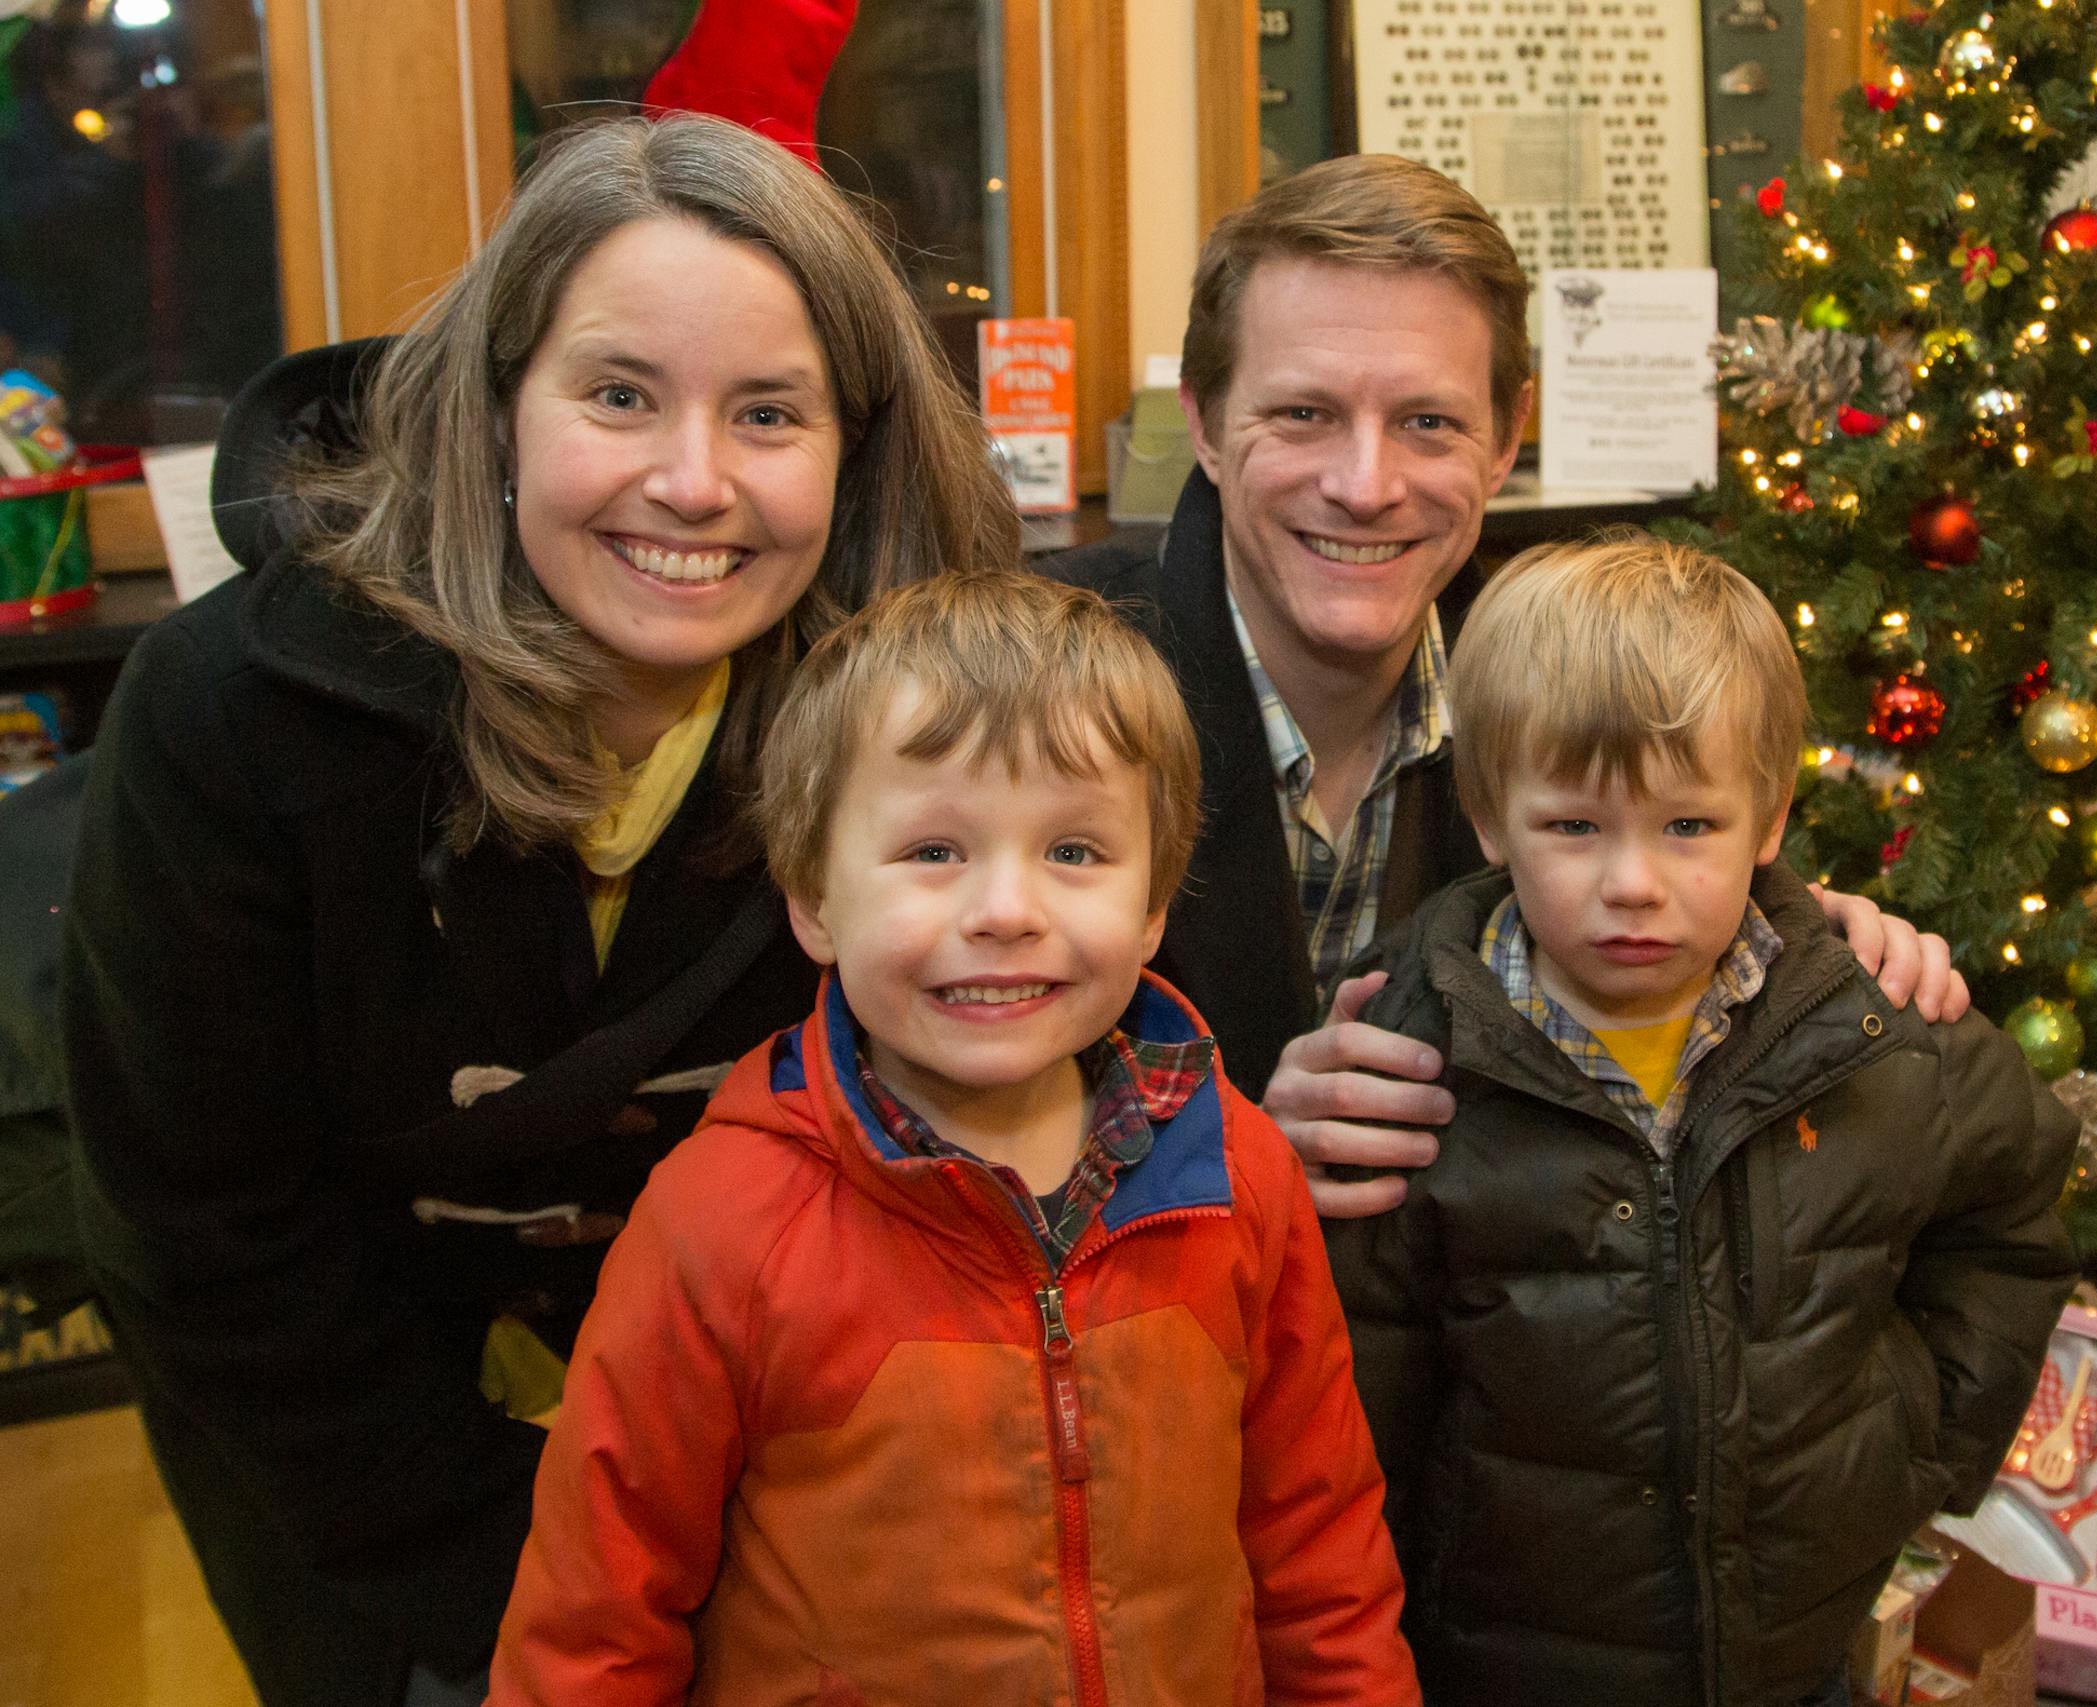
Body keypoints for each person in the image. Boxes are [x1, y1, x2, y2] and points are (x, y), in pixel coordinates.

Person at [62, 115, 1015, 1707]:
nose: (692, 481)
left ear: (852, 448)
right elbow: (204, 1230)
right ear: (500, 405)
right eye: (620, 394)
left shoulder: (927, 709)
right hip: (364, 1475)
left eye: (768, 411)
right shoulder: (228, 709)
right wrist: (518, 1563)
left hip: (790, 1489)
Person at [488, 570, 1420, 1706]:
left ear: (1155, 905)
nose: (1005, 910)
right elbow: (595, 1624)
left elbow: (1319, 1550)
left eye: (1074, 853)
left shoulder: (1237, 1173)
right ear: (815, 899)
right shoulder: (718, 1221)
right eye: (935, 851)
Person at [1045, 153, 1969, 1217]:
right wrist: (1225, 1154)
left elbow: (1679, 907)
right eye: (1301, 414)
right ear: (1204, 423)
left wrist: (1823, 951)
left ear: (1506, 436)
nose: (1365, 485)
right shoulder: (1050, 677)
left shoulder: (1559, 672)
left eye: (1428, 422)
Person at [1325, 535, 2077, 1706]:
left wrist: (1915, 1444)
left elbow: (2012, 1210)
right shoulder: (1407, 1060)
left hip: (1796, 1653)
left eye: (1688, 828)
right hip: (1503, 1659)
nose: (1634, 881)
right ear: (1488, 818)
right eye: (1575, 827)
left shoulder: (1880, 1035)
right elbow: (1357, 1370)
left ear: (1769, 819)